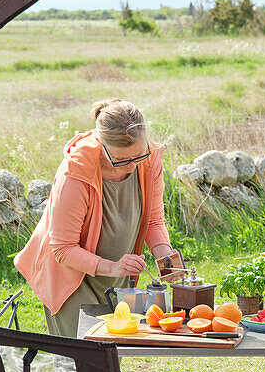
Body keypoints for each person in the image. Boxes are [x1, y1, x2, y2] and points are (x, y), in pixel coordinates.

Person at [14, 98, 182, 337]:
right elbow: (63, 248)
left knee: (110, 358)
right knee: (82, 359)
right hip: (72, 279)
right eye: (122, 160)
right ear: (102, 147)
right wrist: (112, 267)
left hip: (115, 277)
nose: (133, 167)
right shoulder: (76, 170)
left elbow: (154, 221)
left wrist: (166, 256)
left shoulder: (149, 159)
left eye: (139, 155)